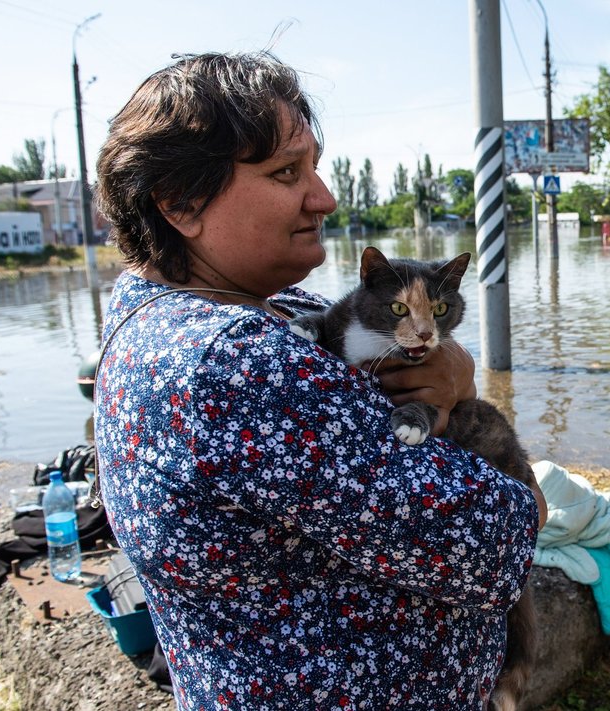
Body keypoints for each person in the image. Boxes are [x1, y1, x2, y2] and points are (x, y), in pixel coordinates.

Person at [93, 51, 544, 709]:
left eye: (314, 166)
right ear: (181, 202)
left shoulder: (180, 309)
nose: (325, 197)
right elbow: (502, 536)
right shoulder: (235, 362)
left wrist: (458, 375)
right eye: (285, 172)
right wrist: (474, 412)